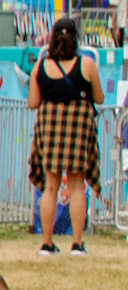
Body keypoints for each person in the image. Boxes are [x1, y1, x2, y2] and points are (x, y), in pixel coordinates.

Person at [28, 15, 100, 255]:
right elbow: (99, 98)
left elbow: (33, 102)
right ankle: (77, 244)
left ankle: (47, 243)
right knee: (78, 185)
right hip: (78, 126)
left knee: (50, 186)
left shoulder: (41, 67)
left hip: (49, 126)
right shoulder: (86, 64)